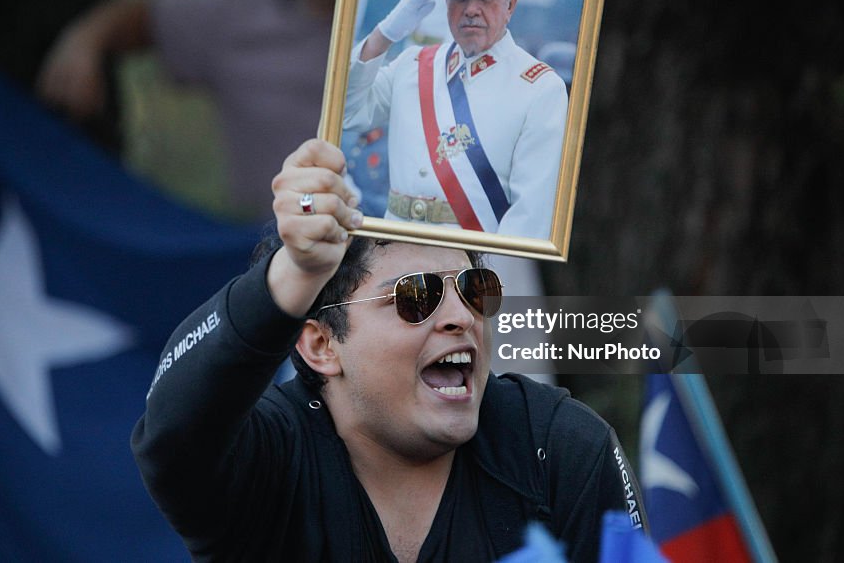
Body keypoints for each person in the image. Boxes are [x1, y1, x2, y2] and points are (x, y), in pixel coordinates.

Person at [131, 139, 645, 562]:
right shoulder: (271, 458)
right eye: (416, 296)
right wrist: (296, 272)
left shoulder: (558, 447)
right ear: (322, 344)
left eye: (475, 287)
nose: (461, 316)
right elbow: (172, 434)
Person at [36, 0, 352, 219]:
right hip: (281, 246)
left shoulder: (405, 10)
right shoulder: (236, 16)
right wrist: (84, 41)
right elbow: (141, 18)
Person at [344, 0, 568, 239]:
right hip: (391, 247)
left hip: (469, 266)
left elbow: (529, 219)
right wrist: (386, 34)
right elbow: (347, 112)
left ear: (511, 5)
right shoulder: (412, 65)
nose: (471, 9)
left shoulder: (541, 87)